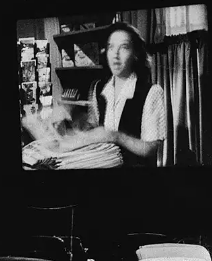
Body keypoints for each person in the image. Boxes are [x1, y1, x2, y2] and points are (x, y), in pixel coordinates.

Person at [60, 21, 167, 168]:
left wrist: (115, 136)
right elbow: (94, 128)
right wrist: (75, 119)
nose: (115, 54)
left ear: (135, 54)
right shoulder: (98, 88)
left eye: (124, 47)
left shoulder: (152, 92)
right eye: (111, 47)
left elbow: (150, 148)